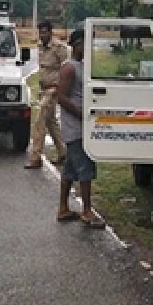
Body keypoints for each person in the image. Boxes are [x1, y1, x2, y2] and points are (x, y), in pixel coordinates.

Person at [56, 29, 105, 229]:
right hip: (76, 129)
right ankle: (86, 211)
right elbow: (61, 97)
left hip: (81, 126)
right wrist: (82, 115)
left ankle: (63, 209)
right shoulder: (69, 68)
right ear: (77, 44)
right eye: (86, 43)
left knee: (69, 169)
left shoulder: (82, 66)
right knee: (85, 169)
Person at [25, 21, 67, 169]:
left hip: (53, 90)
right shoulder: (40, 47)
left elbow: (66, 68)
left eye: (45, 32)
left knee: (39, 122)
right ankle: (64, 153)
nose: (42, 35)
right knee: (51, 123)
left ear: (50, 32)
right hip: (43, 88)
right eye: (40, 32)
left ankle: (35, 157)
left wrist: (59, 87)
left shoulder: (59, 48)